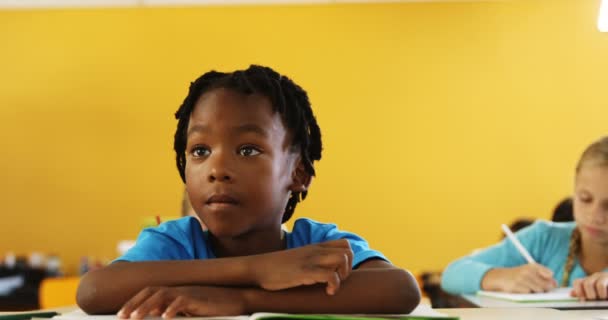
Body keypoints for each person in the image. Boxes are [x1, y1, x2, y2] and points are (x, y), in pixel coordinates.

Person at [76, 65, 420, 317]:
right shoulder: (176, 242)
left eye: (247, 150)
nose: (217, 170)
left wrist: (244, 301)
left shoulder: (315, 244)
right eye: (200, 151)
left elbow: (400, 290)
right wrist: (257, 270)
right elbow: (93, 291)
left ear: (298, 172)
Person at [441, 136, 608, 301]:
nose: (594, 216)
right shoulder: (544, 238)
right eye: (585, 199)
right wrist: (500, 277)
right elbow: (452, 273)